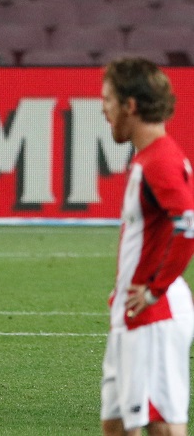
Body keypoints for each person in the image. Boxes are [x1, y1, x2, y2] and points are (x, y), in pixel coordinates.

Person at [100, 58, 194, 436]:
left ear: (130, 105)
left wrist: (154, 289)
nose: (103, 109)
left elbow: (188, 224)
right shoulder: (151, 157)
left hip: (152, 318)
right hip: (132, 312)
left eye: (107, 99)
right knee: (117, 424)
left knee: (161, 425)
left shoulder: (159, 161)